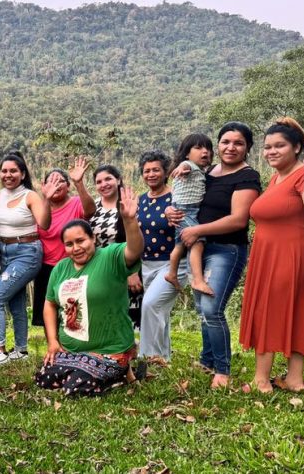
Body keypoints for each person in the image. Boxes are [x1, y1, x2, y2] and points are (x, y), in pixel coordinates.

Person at [167, 121, 262, 389]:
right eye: (225, 142)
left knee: (212, 307)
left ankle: (222, 370)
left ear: (247, 148)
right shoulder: (207, 172)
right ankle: (207, 360)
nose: (231, 147)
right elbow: (187, 198)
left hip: (227, 249)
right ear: (218, 145)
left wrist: (196, 229)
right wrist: (170, 213)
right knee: (202, 308)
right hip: (201, 246)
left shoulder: (247, 177)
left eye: (238, 143)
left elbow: (238, 219)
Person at [240, 118, 304, 393]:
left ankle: (261, 380)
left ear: (296, 148)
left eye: (279, 146)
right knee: (291, 308)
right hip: (271, 253)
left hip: (291, 253)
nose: (272, 151)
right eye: (267, 147)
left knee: (271, 309)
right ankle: (293, 379)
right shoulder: (276, 178)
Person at [34, 186, 145, 397]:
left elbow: (134, 249)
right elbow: (49, 303)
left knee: (76, 386)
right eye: (69, 244)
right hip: (70, 350)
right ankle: (94, 372)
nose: (75, 248)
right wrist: (52, 342)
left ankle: (120, 372)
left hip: (109, 351)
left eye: (80, 241)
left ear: (93, 238)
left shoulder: (110, 257)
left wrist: (130, 220)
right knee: (43, 378)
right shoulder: (61, 268)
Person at [0, 151, 62, 364]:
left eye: (13, 171)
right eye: (4, 171)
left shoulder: (31, 196)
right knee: (16, 303)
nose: (8, 175)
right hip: (5, 251)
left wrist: (46, 198)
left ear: (22, 173)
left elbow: (44, 224)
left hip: (27, 252)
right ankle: (20, 350)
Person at [135, 152, 189, 362]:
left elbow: (186, 228)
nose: (151, 174)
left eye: (156, 169)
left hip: (173, 263)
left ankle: (147, 358)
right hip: (147, 263)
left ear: (166, 171)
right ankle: (163, 358)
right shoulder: (141, 200)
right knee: (159, 311)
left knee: (150, 305)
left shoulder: (176, 197)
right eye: (146, 170)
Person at [32, 158, 96, 328]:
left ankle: (75, 347)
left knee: (74, 311)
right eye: (51, 181)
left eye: (60, 181)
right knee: (49, 311)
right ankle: (53, 346)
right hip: (46, 267)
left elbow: (90, 211)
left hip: (73, 265)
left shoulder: (75, 203)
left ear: (68, 186)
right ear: (43, 186)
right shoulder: (38, 207)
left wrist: (79, 183)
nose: (56, 185)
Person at [90, 164, 143, 327]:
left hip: (126, 268)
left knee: (130, 315)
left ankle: (136, 350)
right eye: (99, 182)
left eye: (108, 179)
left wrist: (131, 272)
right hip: (102, 270)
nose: (103, 184)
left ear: (118, 179)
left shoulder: (129, 205)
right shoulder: (93, 207)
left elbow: (136, 239)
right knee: (106, 313)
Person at [164, 134, 214, 295]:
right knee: (197, 242)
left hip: (184, 209)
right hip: (186, 211)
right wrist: (181, 168)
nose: (205, 152)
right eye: (198, 148)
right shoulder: (189, 165)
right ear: (187, 153)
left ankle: (172, 273)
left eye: (208, 148)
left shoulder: (201, 170)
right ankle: (198, 280)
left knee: (180, 244)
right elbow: (183, 168)